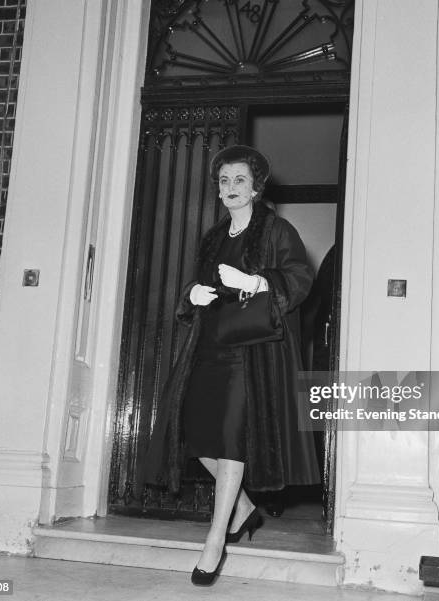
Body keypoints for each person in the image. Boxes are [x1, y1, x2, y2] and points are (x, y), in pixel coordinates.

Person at [142, 145, 319, 586]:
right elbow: (198, 283)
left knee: (230, 440)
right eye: (224, 181)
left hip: (251, 350)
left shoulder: (277, 230)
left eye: (239, 180)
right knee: (193, 431)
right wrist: (191, 295)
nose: (231, 188)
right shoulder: (213, 237)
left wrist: (260, 282)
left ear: (256, 187)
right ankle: (242, 508)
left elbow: (300, 277)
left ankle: (215, 539)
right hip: (210, 345)